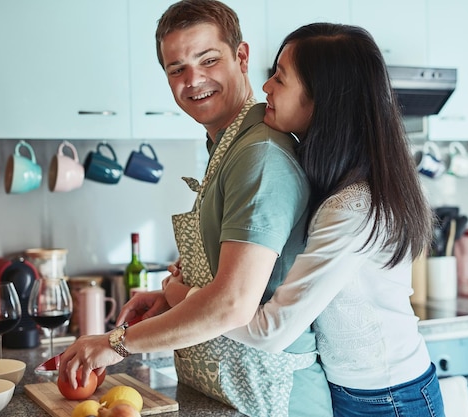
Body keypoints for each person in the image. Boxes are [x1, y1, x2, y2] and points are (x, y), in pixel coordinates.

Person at [58, 2, 333, 417]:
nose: (194, 80)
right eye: (176, 69)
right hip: (230, 392)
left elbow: (232, 303)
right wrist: (168, 299)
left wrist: (114, 343)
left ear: (241, 57)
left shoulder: (258, 155)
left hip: (272, 397)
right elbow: (227, 277)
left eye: (208, 60)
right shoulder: (228, 145)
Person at [163, 23, 445, 417]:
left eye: (280, 77)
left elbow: (270, 330)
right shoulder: (331, 179)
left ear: (323, 98)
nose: (266, 89)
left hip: (388, 399)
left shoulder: (352, 206)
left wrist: (184, 298)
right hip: (357, 390)